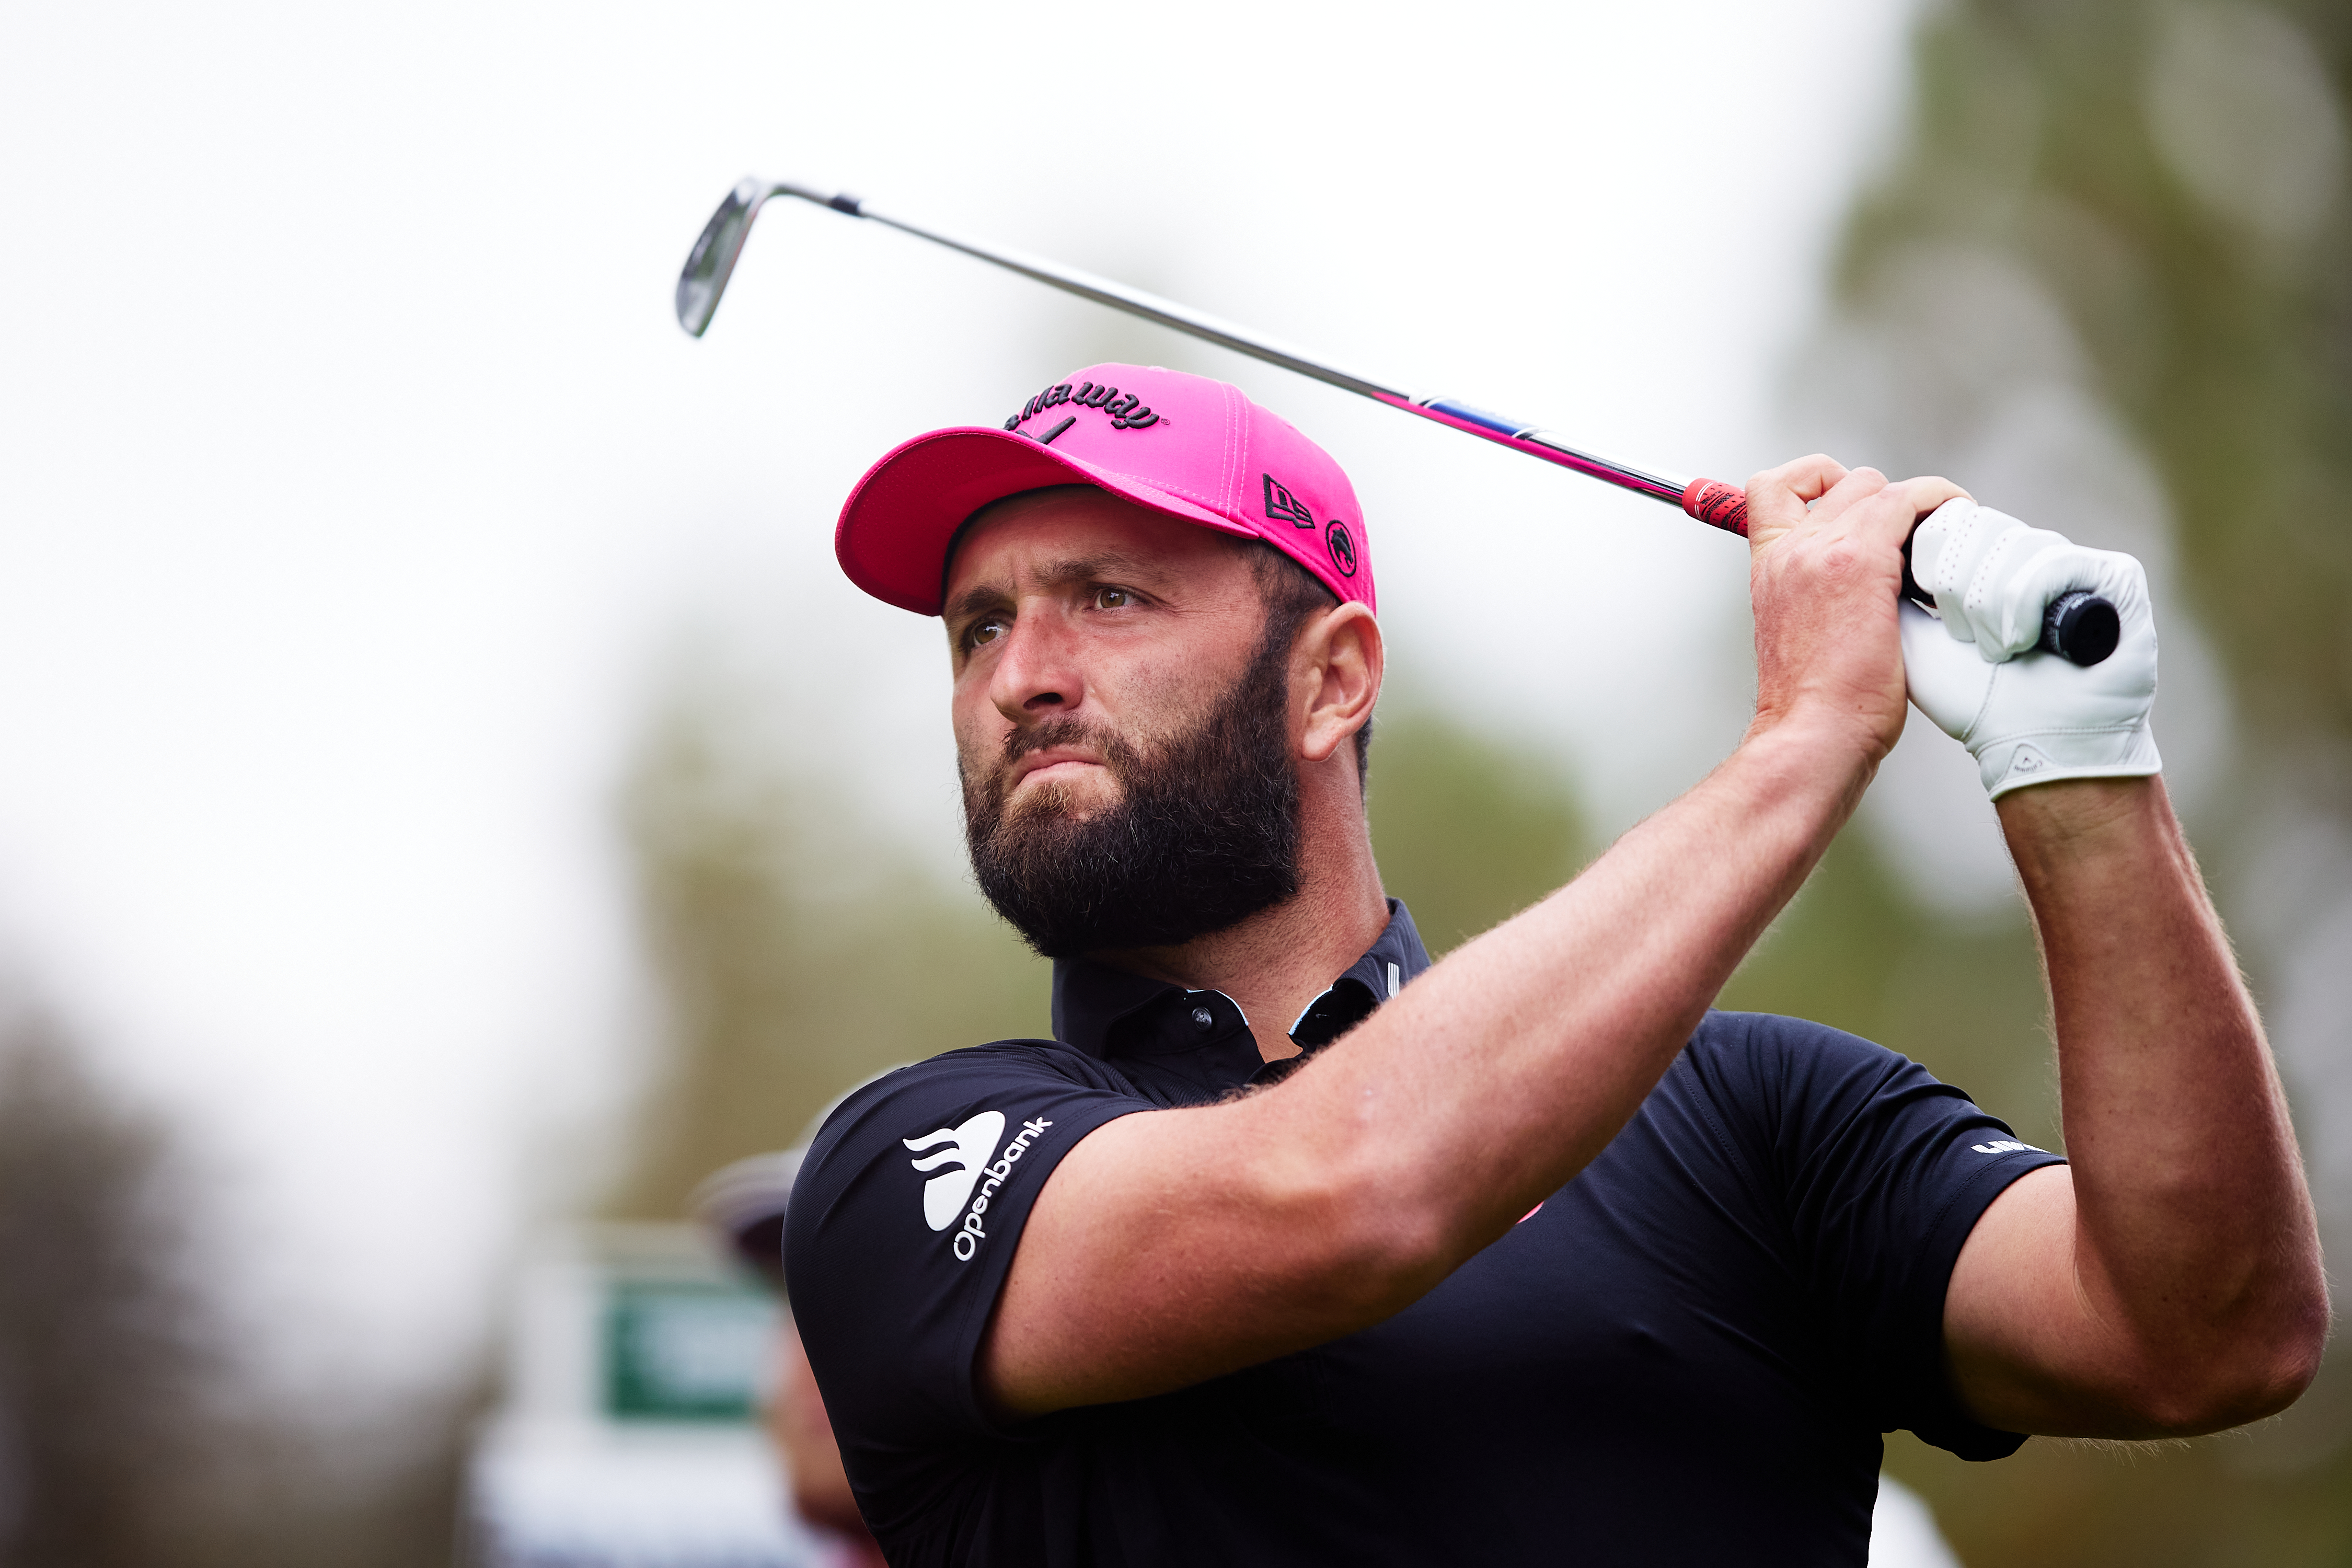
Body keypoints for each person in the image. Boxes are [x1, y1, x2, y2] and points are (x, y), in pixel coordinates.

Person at [782, 363, 2326, 1565]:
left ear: (1332, 683)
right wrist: (1801, 741)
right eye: (978, 630)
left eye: (1107, 599)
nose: (1024, 678)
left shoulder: (1753, 1119)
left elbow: (2208, 1330)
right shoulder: (913, 1167)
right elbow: (1352, 1187)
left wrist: (2077, 769)